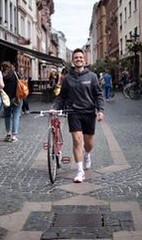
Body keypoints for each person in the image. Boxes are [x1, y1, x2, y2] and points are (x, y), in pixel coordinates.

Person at [52, 48, 104, 183]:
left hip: (88, 113)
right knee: (77, 140)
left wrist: (100, 110)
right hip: (73, 112)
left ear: (84, 60)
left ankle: (87, 155)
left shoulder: (92, 76)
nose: (78, 59)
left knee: (88, 142)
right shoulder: (68, 78)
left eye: (80, 57)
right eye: (76, 58)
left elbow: (98, 95)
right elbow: (62, 96)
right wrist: (54, 108)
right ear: (73, 61)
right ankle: (80, 171)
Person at [1, 61, 23, 142]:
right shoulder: (15, 74)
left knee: (7, 116)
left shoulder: (2, 76)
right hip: (16, 97)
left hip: (6, 99)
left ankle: (8, 133)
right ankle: (14, 136)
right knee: (16, 115)